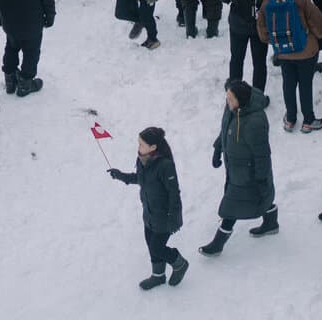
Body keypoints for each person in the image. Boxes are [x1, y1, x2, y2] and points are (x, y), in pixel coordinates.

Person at [202, 78, 279, 254]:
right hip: (235, 168)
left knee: (231, 207)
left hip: (248, 173)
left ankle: (217, 245)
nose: (227, 102)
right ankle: (271, 223)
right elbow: (225, 128)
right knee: (260, 198)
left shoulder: (255, 122)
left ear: (241, 100)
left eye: (230, 99)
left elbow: (262, 155)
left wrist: (261, 178)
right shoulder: (233, 108)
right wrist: (218, 147)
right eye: (226, 98)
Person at [108, 125, 190, 289]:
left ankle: (179, 263)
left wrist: (173, 217)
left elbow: (174, 193)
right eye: (138, 143)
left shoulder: (165, 165)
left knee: (157, 247)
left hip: (164, 216)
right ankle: (158, 276)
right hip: (149, 213)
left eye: (141, 144)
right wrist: (120, 175)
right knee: (151, 245)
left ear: (153, 147)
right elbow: (140, 179)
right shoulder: (143, 160)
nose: (138, 147)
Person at [258, 0, 322, 132]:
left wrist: (276, 42)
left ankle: (290, 119)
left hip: (283, 52)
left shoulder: (267, 4)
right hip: (306, 51)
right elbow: (317, 22)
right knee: (305, 84)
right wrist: (318, 36)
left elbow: (263, 33)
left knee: (288, 84)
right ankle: (308, 120)